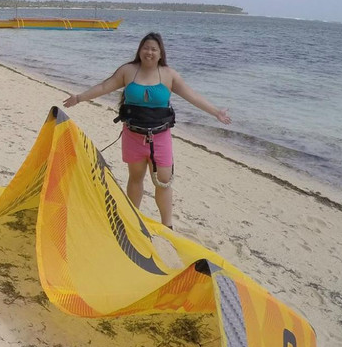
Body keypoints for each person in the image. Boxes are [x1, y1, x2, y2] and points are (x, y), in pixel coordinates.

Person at [62, 32, 231, 229]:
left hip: (160, 138)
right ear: (140, 50)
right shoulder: (128, 71)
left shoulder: (169, 75)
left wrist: (216, 112)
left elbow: (192, 96)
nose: (149, 52)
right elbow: (105, 86)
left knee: (163, 181)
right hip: (132, 136)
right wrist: (79, 97)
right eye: (146, 47)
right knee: (135, 178)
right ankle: (132, 220)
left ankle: (167, 226)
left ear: (160, 53)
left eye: (153, 49)